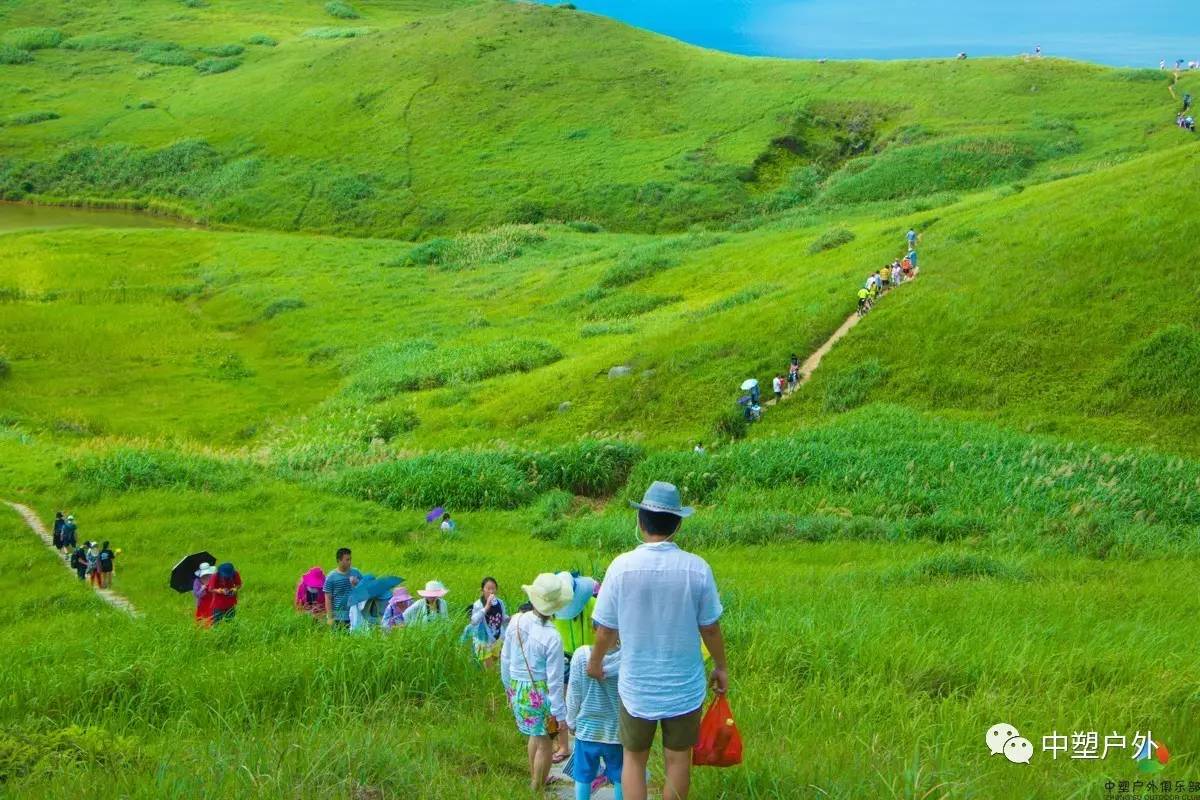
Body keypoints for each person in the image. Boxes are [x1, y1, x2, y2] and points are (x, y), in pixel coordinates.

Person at [588, 481, 728, 800]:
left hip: (636, 685)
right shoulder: (697, 569)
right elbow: (711, 629)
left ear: (640, 521)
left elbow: (606, 630)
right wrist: (721, 667)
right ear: (678, 524)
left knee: (633, 760)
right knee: (679, 758)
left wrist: (595, 663)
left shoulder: (621, 567)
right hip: (684, 686)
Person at [501, 572, 573, 793]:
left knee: (535, 736)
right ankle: (537, 786)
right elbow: (554, 680)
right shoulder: (553, 637)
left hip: (518, 687)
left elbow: (505, 657)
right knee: (544, 743)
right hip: (540, 692)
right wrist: (560, 715)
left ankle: (536, 776)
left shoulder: (516, 620)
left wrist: (508, 689)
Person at [568, 624, 624, 800]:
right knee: (621, 775)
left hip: (587, 729)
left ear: (593, 629)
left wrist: (571, 720)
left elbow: (574, 692)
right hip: (617, 731)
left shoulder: (581, 656)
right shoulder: (627, 658)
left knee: (583, 775)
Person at [553, 573, 599, 763]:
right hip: (563, 655)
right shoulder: (555, 607)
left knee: (590, 700)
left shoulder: (593, 604)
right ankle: (564, 745)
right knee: (561, 702)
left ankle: (592, 741)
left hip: (589, 655)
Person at [467, 576, 509, 666]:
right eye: (488, 589)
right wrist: (486, 607)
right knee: (489, 669)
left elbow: (502, 618)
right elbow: (473, 621)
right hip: (483, 640)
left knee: (496, 666)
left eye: (493, 588)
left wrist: (511, 618)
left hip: (497, 638)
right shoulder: (478, 604)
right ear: (482, 590)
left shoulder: (500, 603)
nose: (491, 591)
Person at [323, 547, 363, 629]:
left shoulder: (356, 572)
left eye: (350, 559)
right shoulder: (331, 577)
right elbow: (328, 598)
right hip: (339, 617)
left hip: (355, 614)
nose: (350, 562)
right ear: (339, 561)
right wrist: (330, 617)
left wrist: (357, 583)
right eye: (347, 560)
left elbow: (365, 589)